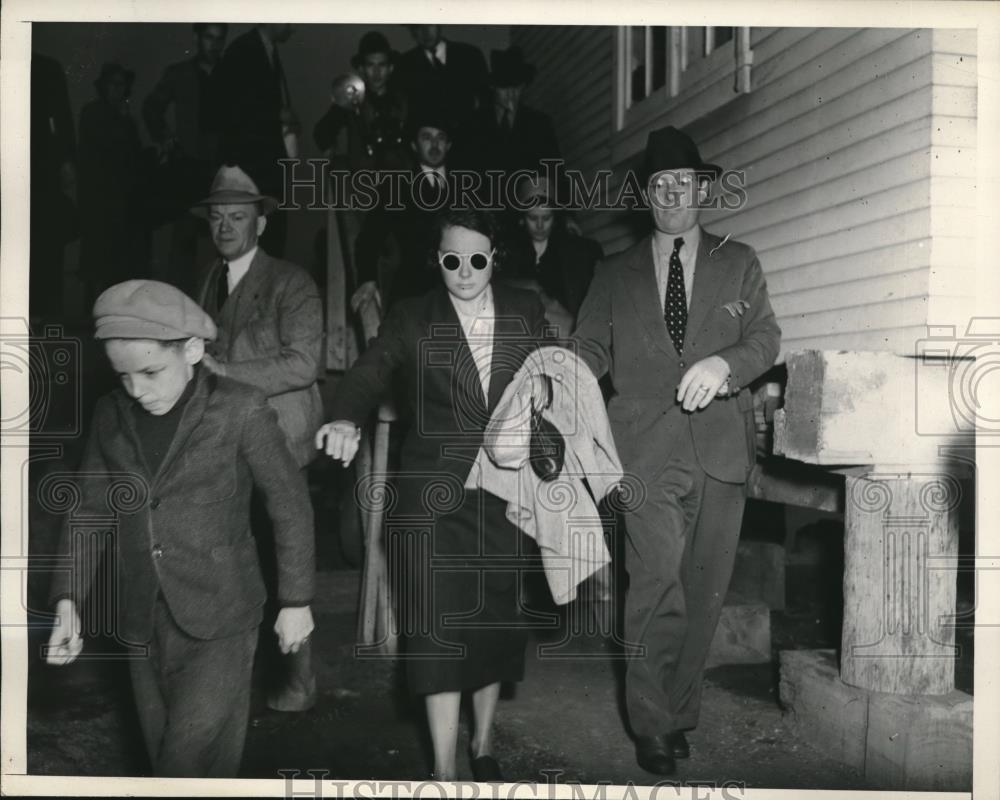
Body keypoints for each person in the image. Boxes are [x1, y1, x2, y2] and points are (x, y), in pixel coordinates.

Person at [572, 126, 781, 775]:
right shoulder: (612, 274)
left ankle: (679, 709)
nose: (670, 195)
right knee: (655, 582)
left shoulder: (738, 260)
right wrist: (556, 383)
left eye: (681, 183)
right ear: (645, 195)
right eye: (658, 185)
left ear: (702, 189)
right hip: (643, 450)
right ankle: (652, 722)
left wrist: (725, 364)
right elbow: (588, 350)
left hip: (721, 448)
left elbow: (766, 338)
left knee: (703, 589)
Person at [45, 280, 315, 777]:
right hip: (140, 617)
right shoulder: (111, 414)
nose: (136, 389)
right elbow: (88, 510)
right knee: (165, 755)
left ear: (192, 350)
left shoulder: (240, 408)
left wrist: (295, 601)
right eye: (123, 376)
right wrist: (68, 600)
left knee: (184, 761)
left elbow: (289, 502)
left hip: (223, 615)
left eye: (150, 372)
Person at [317, 208, 548, 781]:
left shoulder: (525, 309)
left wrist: (544, 392)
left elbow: (557, 370)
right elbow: (370, 371)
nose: (465, 271)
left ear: (495, 257)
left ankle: (484, 745)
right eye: (452, 259)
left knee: (493, 622)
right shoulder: (412, 317)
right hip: (431, 496)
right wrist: (345, 418)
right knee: (438, 631)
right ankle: (444, 773)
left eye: (477, 258)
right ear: (436, 260)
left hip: (504, 489)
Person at [191, 164, 324, 712]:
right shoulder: (205, 281)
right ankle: (243, 677)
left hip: (283, 441)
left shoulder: (291, 282)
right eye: (218, 217)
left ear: (261, 224)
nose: (226, 227)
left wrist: (222, 371)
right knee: (237, 562)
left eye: (238, 217)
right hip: (227, 442)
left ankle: (296, 680)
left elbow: (303, 363)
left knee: (285, 559)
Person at [142, 23, 229, 292]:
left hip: (222, 169)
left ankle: (217, 309)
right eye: (208, 38)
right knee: (184, 239)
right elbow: (151, 107)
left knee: (224, 240)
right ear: (197, 38)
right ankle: (177, 307)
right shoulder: (179, 74)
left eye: (219, 39)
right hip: (189, 167)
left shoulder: (231, 75)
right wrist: (165, 137)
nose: (213, 45)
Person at [352, 102, 456, 311]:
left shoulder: (468, 186)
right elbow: (367, 240)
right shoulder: (397, 187)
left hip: (462, 289)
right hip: (413, 293)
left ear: (449, 145)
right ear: (414, 145)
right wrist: (368, 280)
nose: (435, 145)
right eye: (427, 138)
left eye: (440, 138)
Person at [216, 24, 298, 256]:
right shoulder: (244, 51)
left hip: (262, 178)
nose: (295, 27)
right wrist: (277, 116)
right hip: (252, 177)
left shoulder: (262, 50)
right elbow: (231, 112)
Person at [77, 62, 148, 302]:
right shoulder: (93, 112)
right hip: (99, 196)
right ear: (104, 86)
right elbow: (101, 149)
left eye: (122, 85)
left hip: (121, 197)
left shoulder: (126, 117)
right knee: (96, 259)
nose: (118, 90)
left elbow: (134, 155)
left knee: (118, 259)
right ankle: (90, 311)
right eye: (113, 84)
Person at [504, 174, 602, 336]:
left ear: (556, 218)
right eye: (533, 218)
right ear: (522, 219)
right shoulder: (511, 256)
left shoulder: (577, 251)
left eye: (547, 218)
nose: (540, 225)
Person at [313, 30, 409, 173]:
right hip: (363, 184)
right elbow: (322, 131)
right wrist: (331, 152)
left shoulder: (404, 101)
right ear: (362, 69)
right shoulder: (351, 100)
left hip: (398, 182)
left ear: (390, 68)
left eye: (381, 65)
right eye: (371, 65)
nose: (376, 73)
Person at [392, 24, 489, 164]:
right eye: (418, 27)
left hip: (470, 155)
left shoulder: (470, 55)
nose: (425, 32)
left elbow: (486, 109)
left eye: (429, 24)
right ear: (412, 31)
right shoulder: (405, 65)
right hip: (427, 160)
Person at [30, 52, 77, 320]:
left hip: (41, 165)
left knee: (46, 238)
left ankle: (46, 309)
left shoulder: (47, 67)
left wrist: (66, 161)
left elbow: (62, 118)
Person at [470, 47, 560, 176]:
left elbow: (556, 176)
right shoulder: (475, 124)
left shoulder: (540, 124)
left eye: (516, 87)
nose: (511, 94)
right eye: (504, 87)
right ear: (493, 87)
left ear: (523, 86)